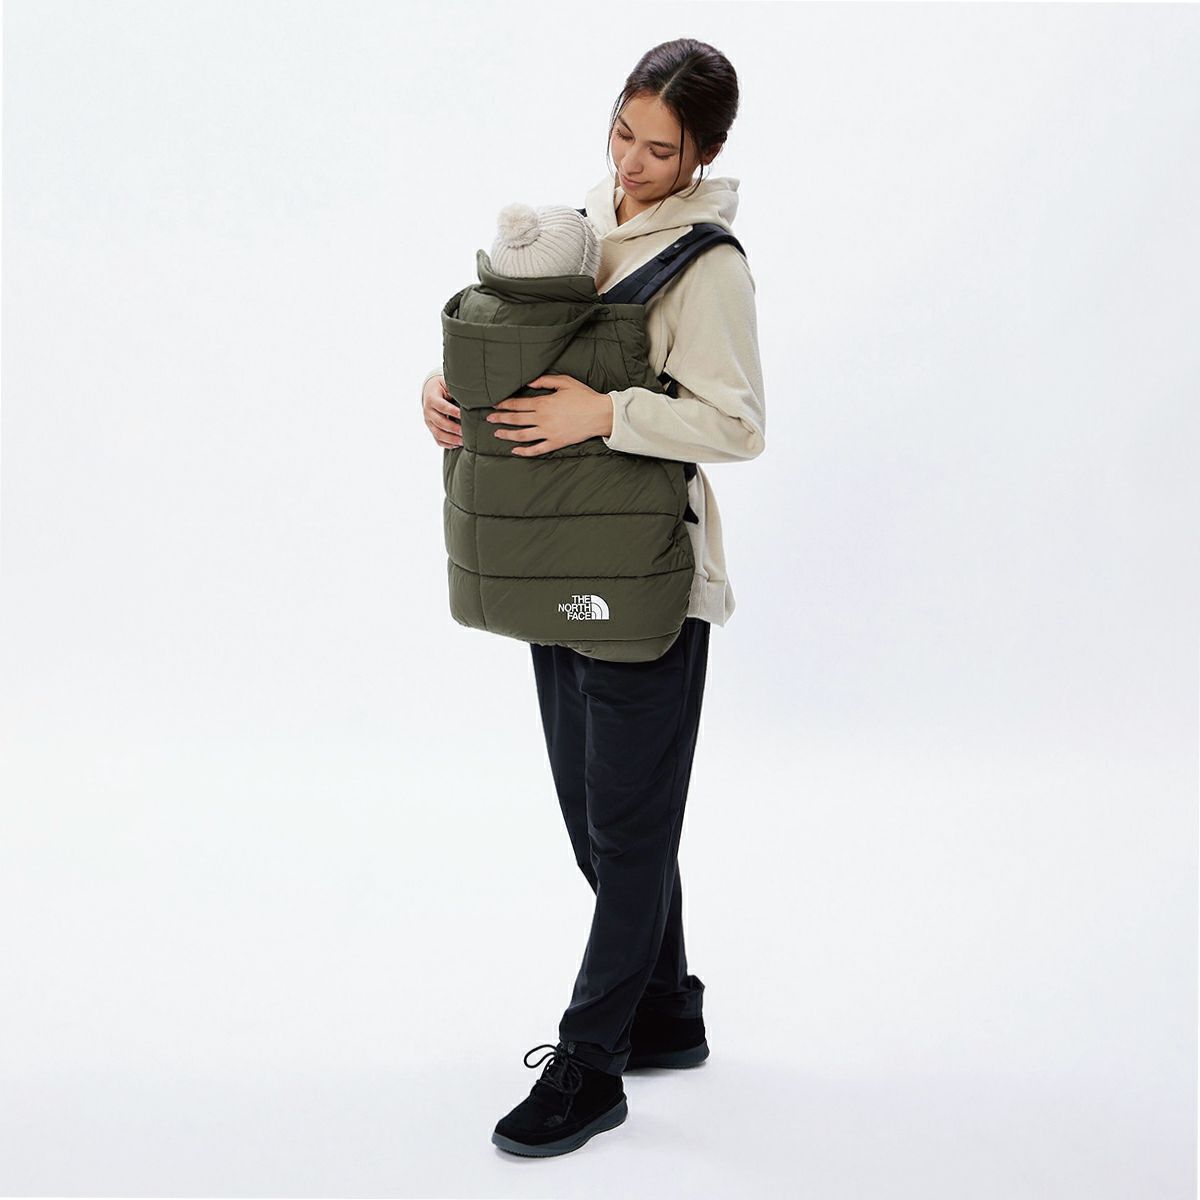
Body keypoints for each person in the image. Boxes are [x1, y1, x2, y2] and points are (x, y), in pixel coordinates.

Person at [420, 37, 766, 1157]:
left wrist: (603, 414)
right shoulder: (581, 228)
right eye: (623, 133)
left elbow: (738, 424)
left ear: (704, 153)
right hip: (557, 562)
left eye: (660, 150)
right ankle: (665, 1011)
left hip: (648, 578)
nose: (630, 164)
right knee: (596, 820)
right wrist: (449, 394)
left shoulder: (707, 266)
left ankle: (592, 1063)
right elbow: (529, 357)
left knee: (626, 830)